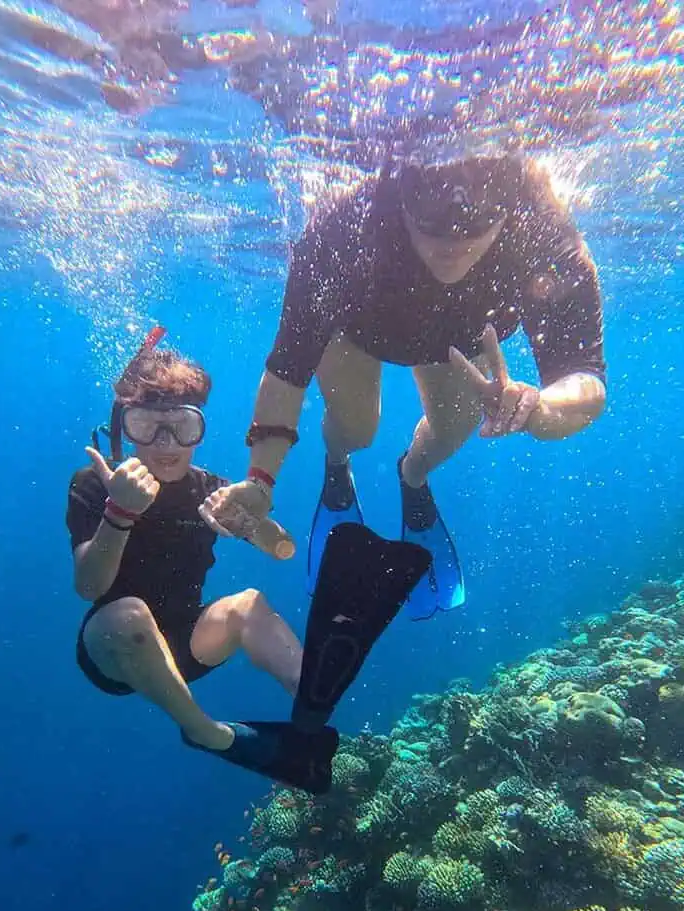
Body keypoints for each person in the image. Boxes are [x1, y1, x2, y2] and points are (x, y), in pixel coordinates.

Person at [199, 146, 609, 619]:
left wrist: (539, 408)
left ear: (513, 191)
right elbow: (287, 370)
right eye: (433, 195)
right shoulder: (342, 230)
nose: (455, 228)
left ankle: (413, 476)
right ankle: (337, 463)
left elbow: (584, 378)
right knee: (356, 429)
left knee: (450, 434)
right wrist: (260, 480)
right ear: (399, 183)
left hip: (460, 340)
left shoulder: (542, 231)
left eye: (482, 196)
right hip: (358, 330)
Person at [67, 329, 429, 793]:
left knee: (249, 604)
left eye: (182, 426)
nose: (165, 443)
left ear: (200, 430)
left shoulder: (209, 489)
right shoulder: (97, 483)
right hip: (113, 649)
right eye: (146, 426)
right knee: (129, 615)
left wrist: (254, 524)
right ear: (126, 426)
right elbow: (90, 588)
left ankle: (311, 702)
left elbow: (284, 550)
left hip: (187, 642)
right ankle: (207, 732)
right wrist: (119, 512)